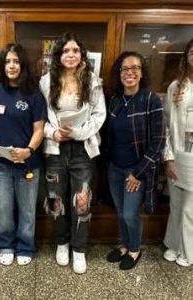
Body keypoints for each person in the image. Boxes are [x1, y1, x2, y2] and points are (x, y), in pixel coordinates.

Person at [40, 32, 106, 274]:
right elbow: (39, 118)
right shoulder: (46, 82)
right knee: (56, 199)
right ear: (58, 55)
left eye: (75, 51)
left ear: (81, 55)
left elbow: (100, 116)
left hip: (82, 150)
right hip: (55, 149)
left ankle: (78, 249)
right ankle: (62, 243)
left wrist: (77, 133)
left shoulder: (93, 81)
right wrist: (52, 133)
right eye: (66, 51)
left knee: (81, 202)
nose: (71, 55)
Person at [0, 43, 46, 266]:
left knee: (27, 210)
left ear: (23, 65)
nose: (11, 66)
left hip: (27, 165)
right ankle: (6, 245)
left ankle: (25, 247)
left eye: (16, 61)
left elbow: (39, 129)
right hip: (1, 164)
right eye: (7, 61)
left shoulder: (33, 93)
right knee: (2, 210)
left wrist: (28, 151)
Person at [106, 51, 165, 270]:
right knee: (121, 212)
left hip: (136, 170)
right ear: (119, 73)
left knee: (131, 214)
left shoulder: (151, 100)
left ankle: (135, 249)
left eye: (135, 68)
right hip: (114, 168)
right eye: (125, 69)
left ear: (142, 73)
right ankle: (125, 245)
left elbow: (158, 142)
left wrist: (139, 172)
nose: (130, 72)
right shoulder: (114, 100)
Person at [163, 39, 193, 267]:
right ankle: (173, 245)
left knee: (189, 209)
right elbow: (167, 124)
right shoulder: (176, 87)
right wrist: (169, 156)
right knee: (176, 205)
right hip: (179, 153)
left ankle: (187, 250)